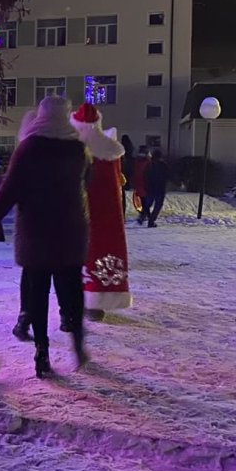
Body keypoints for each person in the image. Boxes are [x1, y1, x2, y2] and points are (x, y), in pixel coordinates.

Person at [0, 96, 91, 378]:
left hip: (37, 233)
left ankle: (42, 353)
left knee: (38, 293)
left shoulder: (29, 148)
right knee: (72, 290)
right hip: (70, 232)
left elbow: (10, 188)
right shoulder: (79, 149)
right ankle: (78, 343)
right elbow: (87, 183)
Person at [70, 104, 132, 321]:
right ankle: (96, 304)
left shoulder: (70, 150)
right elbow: (114, 190)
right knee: (100, 252)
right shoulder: (111, 152)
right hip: (105, 218)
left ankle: (78, 304)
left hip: (75, 216)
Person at [146, 149, 170, 228]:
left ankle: (145, 217)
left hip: (151, 188)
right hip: (160, 189)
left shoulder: (151, 165)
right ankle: (151, 220)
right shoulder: (163, 165)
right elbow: (167, 176)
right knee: (157, 206)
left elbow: (147, 176)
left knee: (148, 204)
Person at [133, 145, 151, 224]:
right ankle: (145, 216)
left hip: (138, 183)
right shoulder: (147, 161)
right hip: (146, 183)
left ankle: (145, 216)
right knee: (147, 202)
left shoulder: (137, 161)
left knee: (144, 201)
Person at [120, 134, 135, 215]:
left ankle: (126, 185)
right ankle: (128, 185)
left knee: (125, 175)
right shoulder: (130, 145)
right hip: (129, 162)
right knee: (128, 175)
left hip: (125, 162)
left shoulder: (123, 146)